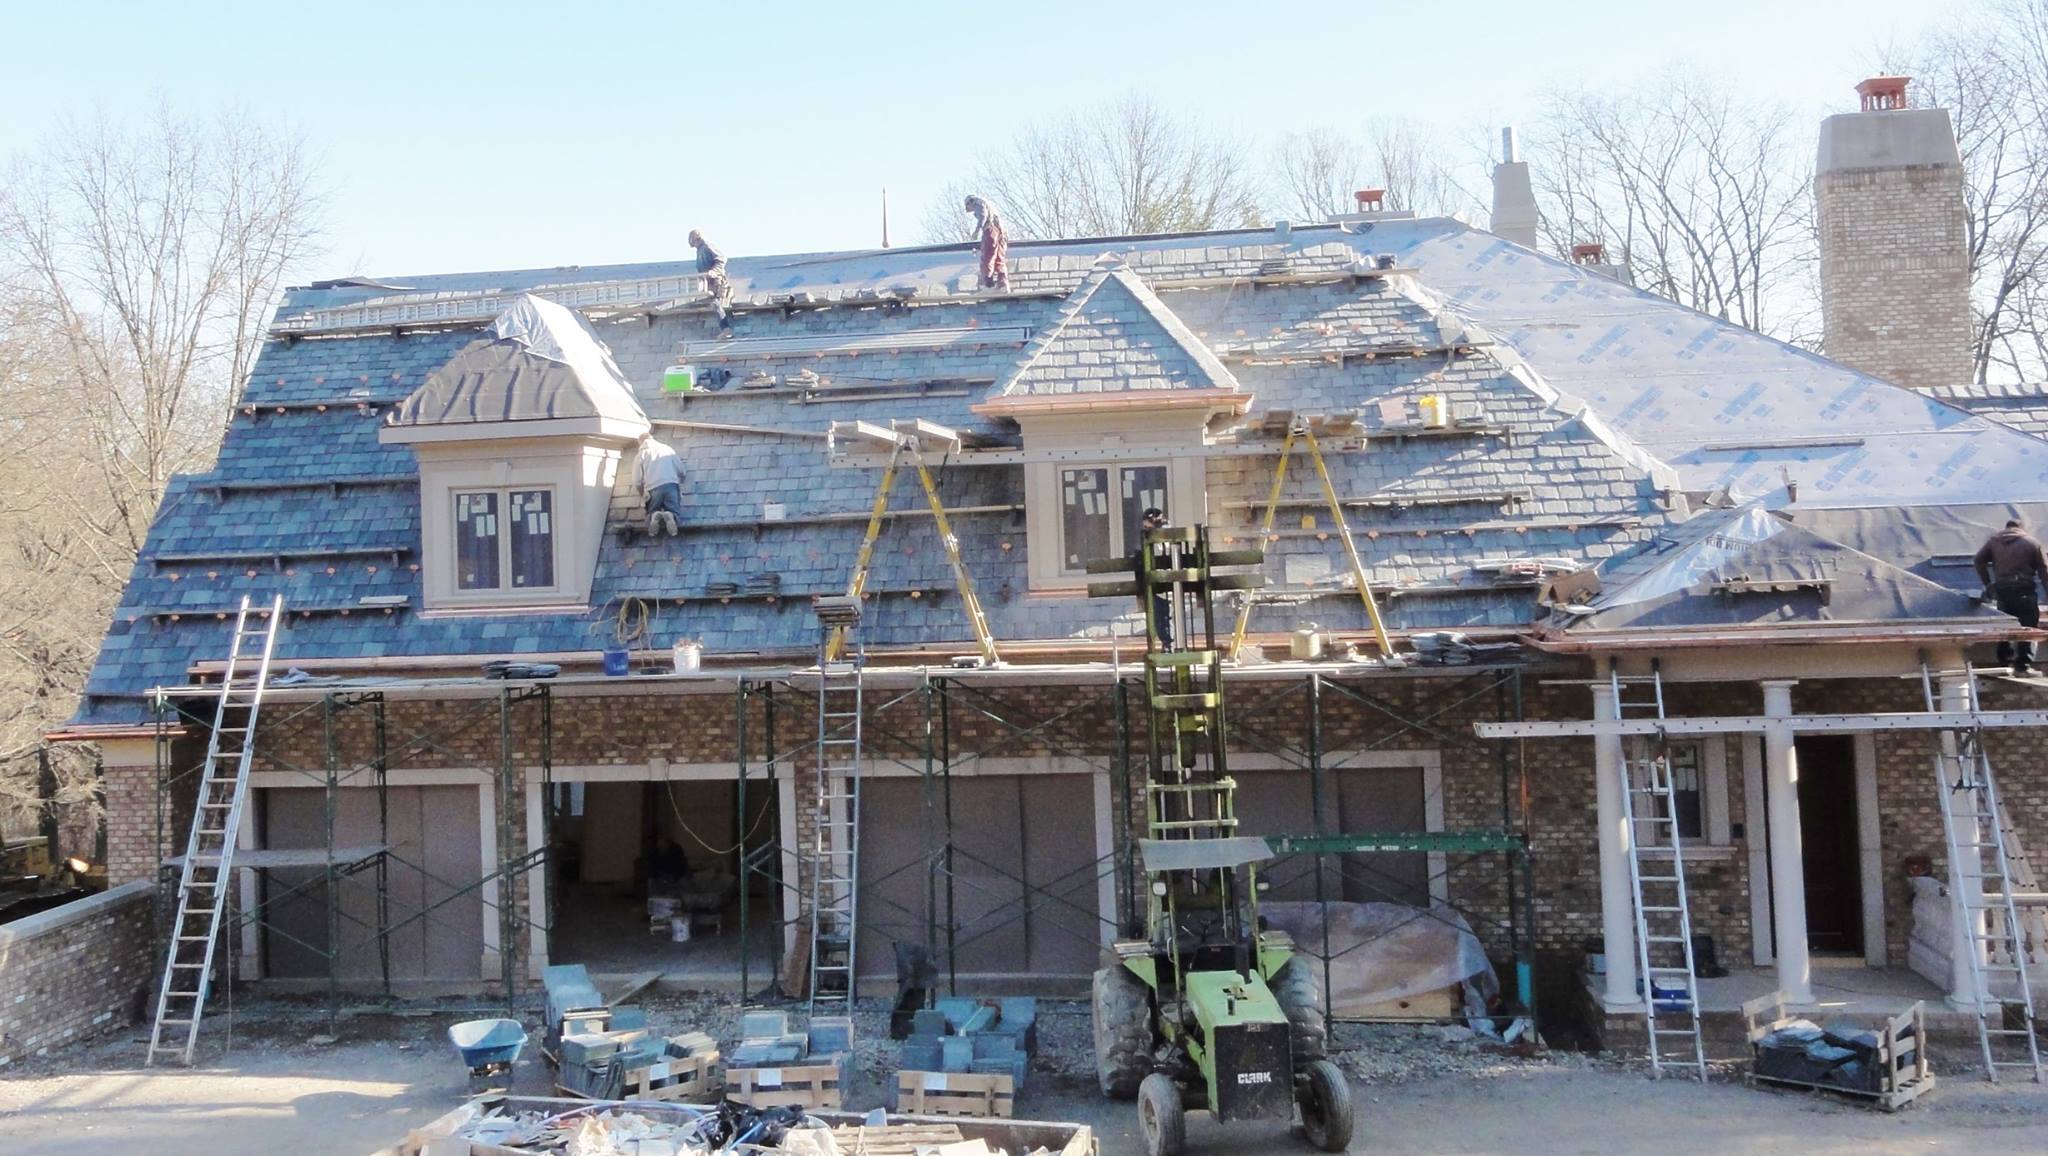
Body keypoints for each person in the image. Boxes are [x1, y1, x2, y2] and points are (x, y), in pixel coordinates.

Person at [1974, 518, 2048, 675]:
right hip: (2024, 590)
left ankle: (2004, 664)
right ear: (2022, 528)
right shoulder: (2031, 543)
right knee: (2029, 628)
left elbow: (1978, 560)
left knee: (2005, 626)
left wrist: (1988, 584)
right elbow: (2044, 571)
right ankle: (2023, 666)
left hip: (2002, 591)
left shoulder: (1994, 542)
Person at [1136, 507, 1173, 648]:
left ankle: (1168, 644)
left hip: (1159, 581)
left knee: (1161, 617)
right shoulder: (1169, 533)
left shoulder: (1156, 537)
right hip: (1170, 581)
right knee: (1166, 616)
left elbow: (1155, 557)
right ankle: (1170, 644)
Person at [636, 436, 684, 537]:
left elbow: (637, 481)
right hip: (671, 484)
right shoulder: (667, 448)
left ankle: (654, 515)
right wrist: (680, 481)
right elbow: (681, 470)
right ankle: (671, 515)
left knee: (650, 511)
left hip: (653, 488)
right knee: (675, 511)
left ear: (640, 443)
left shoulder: (641, 454)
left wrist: (642, 494)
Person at [688, 229, 733, 335]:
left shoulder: (707, 246)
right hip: (707, 282)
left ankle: (726, 329)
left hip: (715, 280)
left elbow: (722, 258)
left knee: (715, 302)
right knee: (712, 303)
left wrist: (713, 271)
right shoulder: (699, 250)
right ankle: (725, 328)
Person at [963, 195, 1009, 291]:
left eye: (968, 206)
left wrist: (977, 230)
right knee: (998, 259)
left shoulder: (978, 202)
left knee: (987, 258)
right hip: (1001, 233)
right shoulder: (990, 205)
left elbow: (983, 216)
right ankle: (1003, 284)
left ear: (970, 202)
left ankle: (988, 285)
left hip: (991, 231)